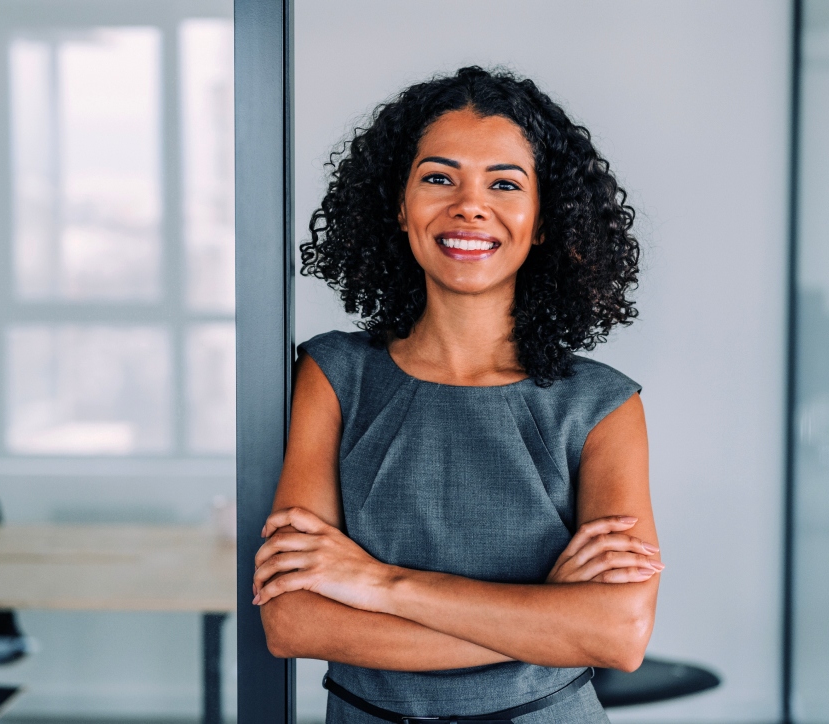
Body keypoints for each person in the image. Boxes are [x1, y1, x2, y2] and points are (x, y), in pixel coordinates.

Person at [253, 66, 660, 723]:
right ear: (399, 203)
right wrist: (539, 615)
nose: (470, 205)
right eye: (439, 177)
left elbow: (617, 635)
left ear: (544, 219)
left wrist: (376, 584)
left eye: (504, 184)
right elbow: (293, 622)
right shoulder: (333, 376)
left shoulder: (601, 405)